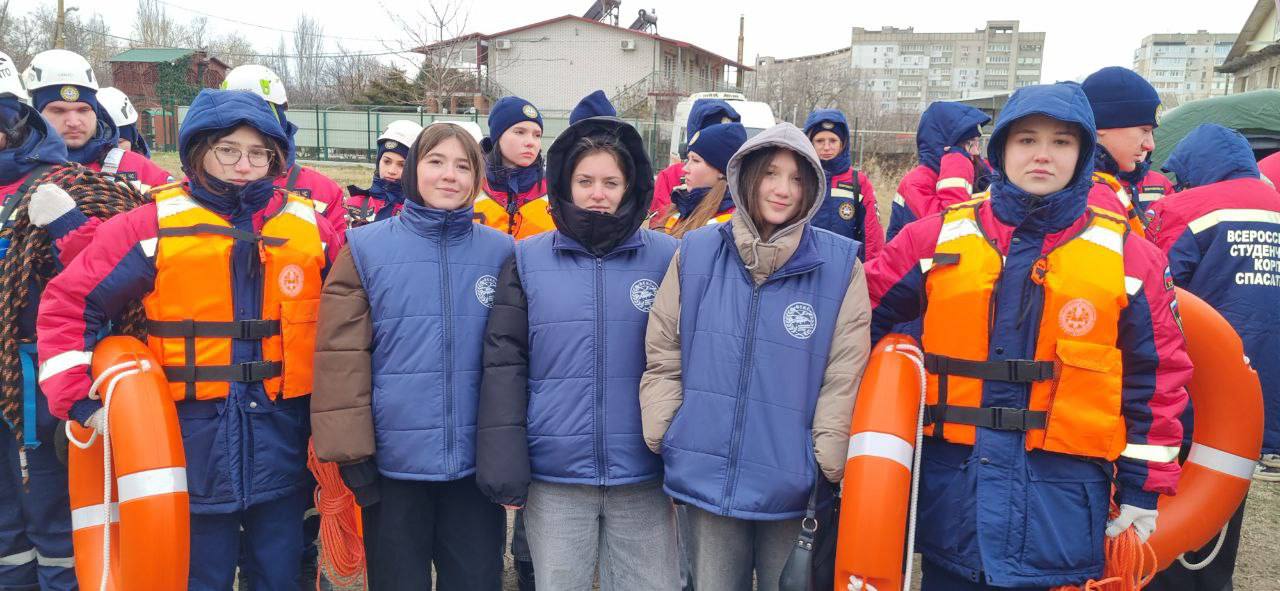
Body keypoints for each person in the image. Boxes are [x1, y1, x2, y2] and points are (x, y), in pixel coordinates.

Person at [866, 82, 1192, 590]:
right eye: (1026, 140)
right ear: (1001, 151)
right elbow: (860, 322)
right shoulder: (931, 239)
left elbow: (1158, 378)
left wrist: (1142, 490)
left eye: (1061, 142)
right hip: (955, 500)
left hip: (1062, 511)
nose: (1043, 154)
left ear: (1083, 153)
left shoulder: (1133, 259)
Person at [35, 89, 343, 591]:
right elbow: (70, 303)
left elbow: (353, 318)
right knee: (201, 575)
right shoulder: (150, 225)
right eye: (228, 150)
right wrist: (80, 400)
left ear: (275, 159)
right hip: (188, 444)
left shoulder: (313, 228)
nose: (244, 165)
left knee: (282, 572)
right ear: (199, 152)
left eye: (258, 153)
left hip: (286, 438)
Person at [640, 123, 871, 591]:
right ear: (746, 176)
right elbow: (664, 349)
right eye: (770, 173)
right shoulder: (697, 252)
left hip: (793, 482)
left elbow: (844, 373)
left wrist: (824, 459)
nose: (783, 189)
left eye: (797, 178)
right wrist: (668, 428)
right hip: (705, 472)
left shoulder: (841, 266)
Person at [476, 115, 679, 590]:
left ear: (630, 187)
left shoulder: (668, 257)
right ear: (565, 184)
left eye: (611, 182)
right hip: (557, 474)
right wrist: (506, 457)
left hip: (644, 472)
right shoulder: (527, 258)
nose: (597, 194)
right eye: (585, 181)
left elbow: (685, 358)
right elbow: (506, 362)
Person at [312, 123, 511, 590]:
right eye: (436, 162)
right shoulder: (366, 248)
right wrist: (351, 452)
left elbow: (514, 359)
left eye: (463, 166)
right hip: (392, 465)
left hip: (474, 466)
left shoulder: (502, 252)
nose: (449, 175)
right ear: (413, 169)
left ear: (477, 177)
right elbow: (341, 356)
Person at [1143, 123, 1280, 590]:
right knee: (1224, 495)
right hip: (1259, 397)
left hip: (1188, 396)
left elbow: (1151, 295)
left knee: (1165, 512)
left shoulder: (1180, 210)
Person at [0, 50, 76, 591]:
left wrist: (67, 226)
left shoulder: (60, 184)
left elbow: (99, 280)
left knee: (51, 513)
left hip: (34, 379)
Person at [22, 49, 173, 189]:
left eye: (83, 110)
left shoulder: (137, 168)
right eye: (58, 111)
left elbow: (178, 202)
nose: (74, 122)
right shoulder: (17, 171)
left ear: (96, 112)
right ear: (36, 115)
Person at [223, 64, 349, 232]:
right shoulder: (195, 188)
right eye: (236, 115)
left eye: (261, 113)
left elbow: (338, 245)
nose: (249, 125)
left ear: (279, 118)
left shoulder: (323, 191)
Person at [886, 101, 991, 242]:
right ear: (947, 147)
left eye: (978, 142)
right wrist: (956, 163)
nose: (976, 151)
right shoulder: (916, 182)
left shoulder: (980, 173)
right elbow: (950, 233)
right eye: (969, 143)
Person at [1081, 66, 1164, 233]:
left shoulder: (1094, 184)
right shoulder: (1093, 194)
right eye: (1144, 130)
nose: (1150, 145)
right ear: (1102, 124)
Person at [803, 108, 884, 260]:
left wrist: (870, 270)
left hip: (845, 267)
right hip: (804, 265)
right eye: (820, 141)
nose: (826, 147)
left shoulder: (858, 183)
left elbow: (872, 235)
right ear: (810, 143)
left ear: (843, 143)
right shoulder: (800, 179)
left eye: (833, 141)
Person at [474, 96, 553, 240]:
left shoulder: (554, 190)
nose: (531, 142)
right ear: (497, 136)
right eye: (520, 132)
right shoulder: (471, 185)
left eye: (537, 135)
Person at [650, 122, 747, 237]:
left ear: (722, 171)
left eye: (695, 160)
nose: (685, 169)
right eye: (688, 159)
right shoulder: (683, 204)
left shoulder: (729, 227)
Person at [652, 99, 742, 216]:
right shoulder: (671, 177)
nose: (686, 169)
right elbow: (658, 220)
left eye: (696, 160)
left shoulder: (739, 210)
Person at [344, 119, 422, 227]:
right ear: (378, 161)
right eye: (387, 161)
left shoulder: (419, 213)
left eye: (402, 165)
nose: (391, 171)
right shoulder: (352, 205)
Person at [96, 86, 151, 158]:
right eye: (106, 145)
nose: (114, 151)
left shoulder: (142, 163)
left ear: (133, 140)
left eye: (119, 142)